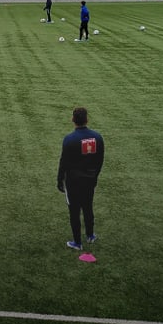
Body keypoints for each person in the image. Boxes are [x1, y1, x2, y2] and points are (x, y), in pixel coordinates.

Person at [57, 107, 105, 251]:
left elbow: (63, 162)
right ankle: (90, 235)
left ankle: (77, 242)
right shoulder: (97, 137)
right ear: (87, 120)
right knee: (88, 206)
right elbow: (100, 160)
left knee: (74, 211)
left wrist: (59, 180)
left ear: (73, 120)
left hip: (73, 182)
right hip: (90, 180)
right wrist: (95, 176)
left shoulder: (69, 139)